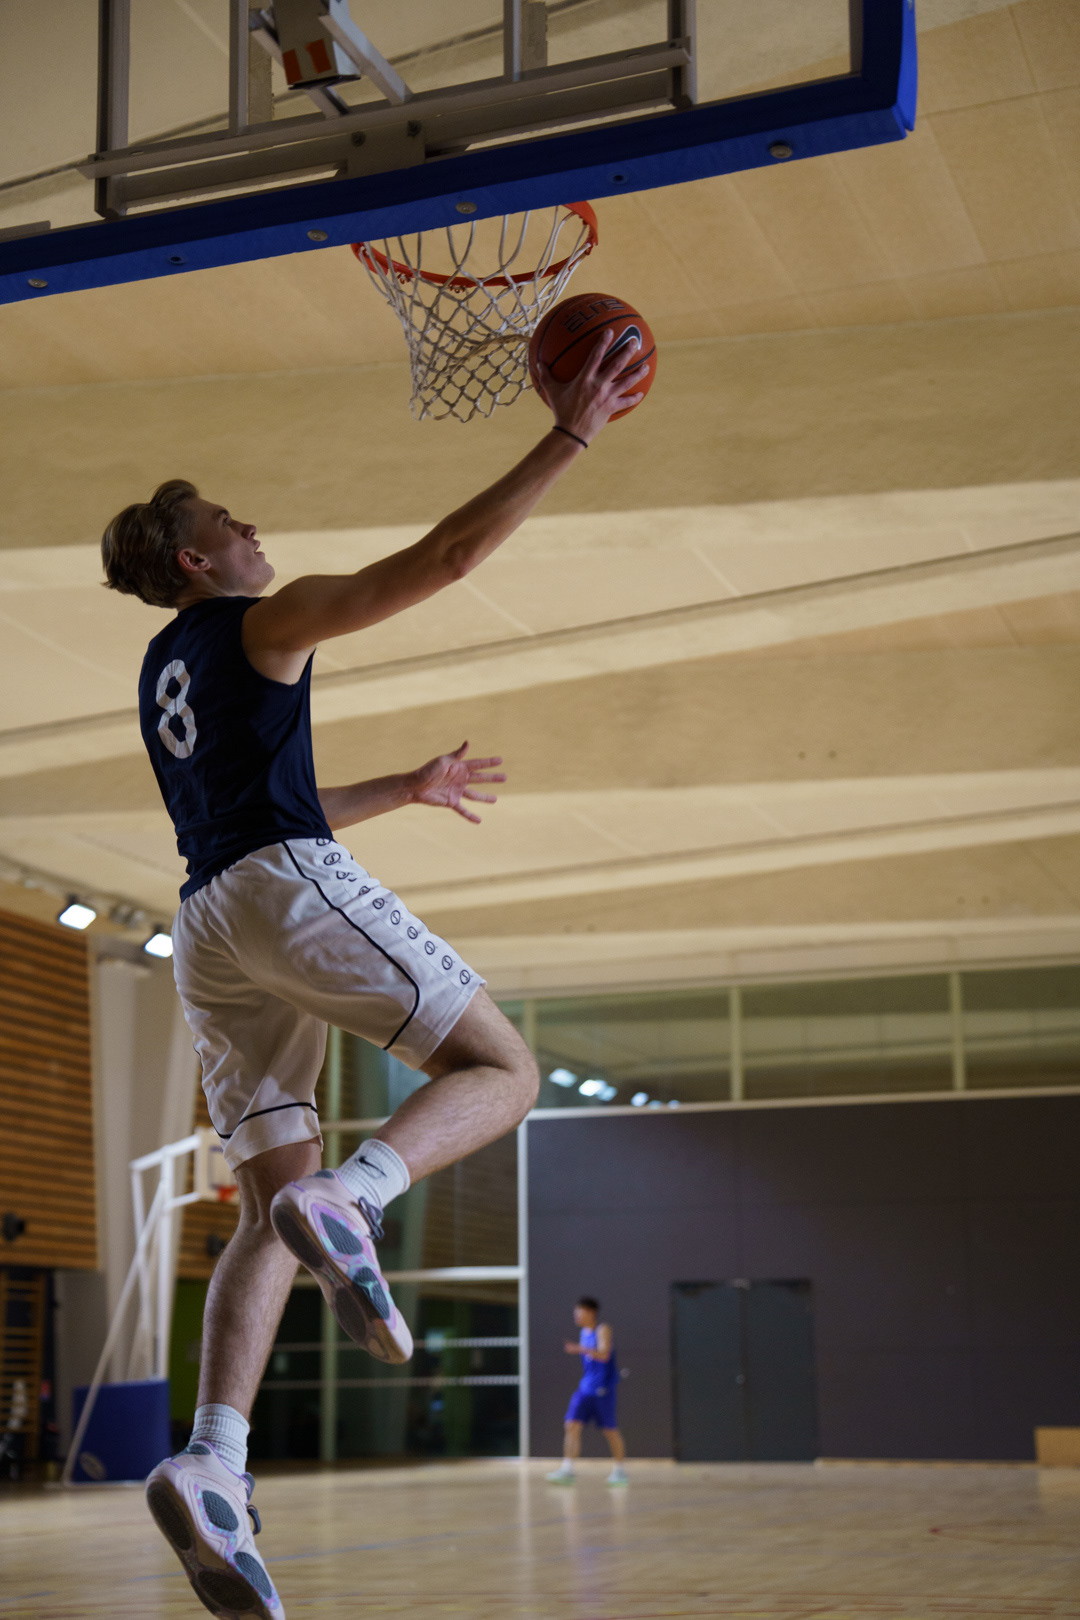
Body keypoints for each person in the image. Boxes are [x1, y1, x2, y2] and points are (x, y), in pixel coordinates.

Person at [98, 329, 646, 1620]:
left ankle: (214, 1461)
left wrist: (402, 785)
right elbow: (442, 559)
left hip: (210, 927)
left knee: (262, 1213)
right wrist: (570, 432)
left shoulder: (162, 672)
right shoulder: (259, 619)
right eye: (227, 521)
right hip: (279, 891)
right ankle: (360, 1196)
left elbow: (255, 801)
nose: (250, 527)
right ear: (196, 561)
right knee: (501, 1069)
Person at [546, 1295, 627, 1486]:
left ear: (590, 1312)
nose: (576, 1316)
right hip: (585, 1388)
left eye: (579, 1312)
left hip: (602, 1390)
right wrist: (581, 1348)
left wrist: (580, 1349)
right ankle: (567, 1469)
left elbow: (604, 1355)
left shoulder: (602, 1329)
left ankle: (619, 1470)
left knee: (610, 1431)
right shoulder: (583, 1332)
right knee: (571, 1425)